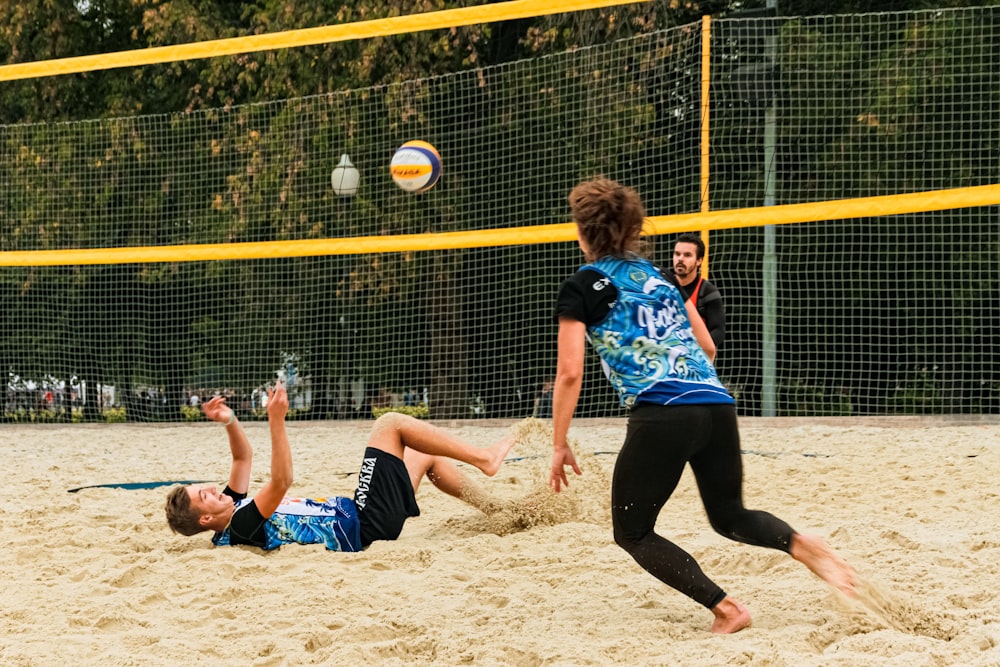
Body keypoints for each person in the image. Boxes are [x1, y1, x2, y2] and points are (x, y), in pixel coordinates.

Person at [548, 177, 856, 634]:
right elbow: (707, 347)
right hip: (716, 403)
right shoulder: (661, 279)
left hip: (662, 412)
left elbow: (570, 373)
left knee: (631, 532)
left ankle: (727, 609)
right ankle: (801, 544)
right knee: (730, 515)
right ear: (632, 228)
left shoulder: (583, 284)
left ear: (582, 232)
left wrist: (559, 444)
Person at [165, 381, 516, 551]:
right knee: (389, 425)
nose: (211, 488)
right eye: (204, 495)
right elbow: (282, 480)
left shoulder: (232, 506)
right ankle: (485, 459)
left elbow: (242, 459)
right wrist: (277, 420)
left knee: (424, 454)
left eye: (204, 487)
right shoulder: (240, 524)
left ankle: (498, 510)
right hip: (363, 525)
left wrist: (229, 420)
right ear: (207, 519)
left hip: (358, 515)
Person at [668, 231, 726, 350]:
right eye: (677, 254)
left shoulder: (707, 292)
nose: (680, 259)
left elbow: (718, 331)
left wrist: (693, 352)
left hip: (695, 362)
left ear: (699, 260)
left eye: (687, 255)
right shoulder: (663, 288)